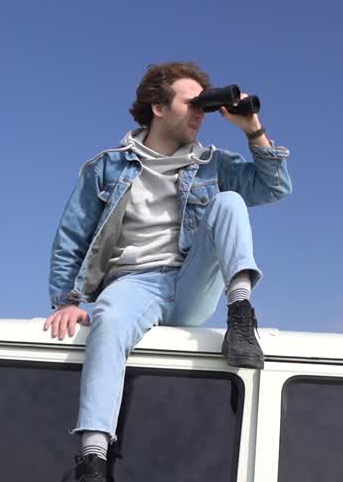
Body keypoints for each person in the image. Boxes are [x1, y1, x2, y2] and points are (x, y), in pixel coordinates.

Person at [44, 61, 292, 482]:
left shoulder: (214, 163)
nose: (200, 114)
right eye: (192, 104)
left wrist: (252, 128)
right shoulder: (107, 167)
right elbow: (72, 235)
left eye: (204, 106)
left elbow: (274, 189)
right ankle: (92, 458)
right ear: (158, 108)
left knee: (229, 202)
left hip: (191, 280)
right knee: (108, 320)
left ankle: (241, 315)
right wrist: (66, 302)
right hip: (134, 284)